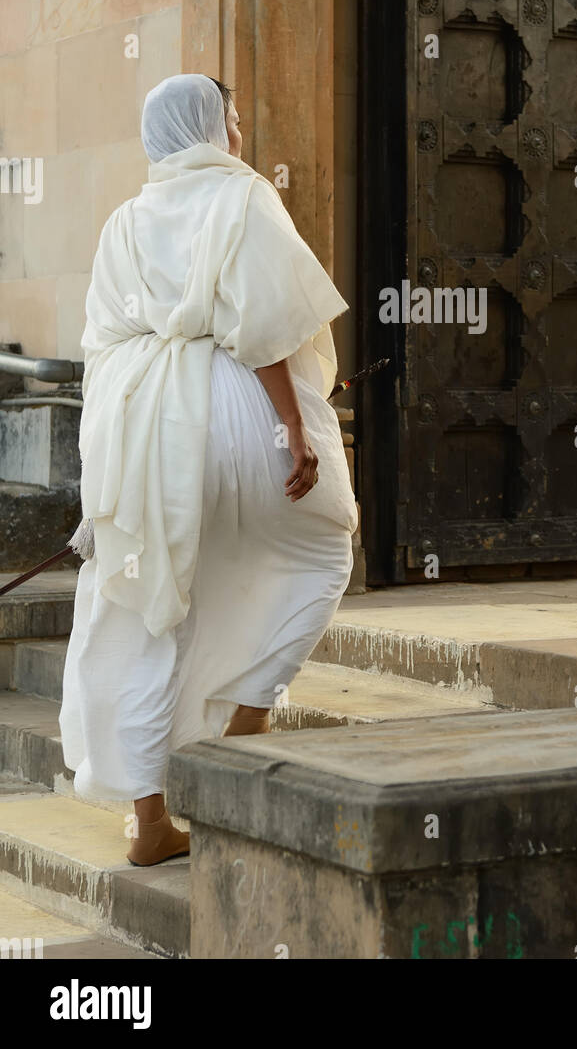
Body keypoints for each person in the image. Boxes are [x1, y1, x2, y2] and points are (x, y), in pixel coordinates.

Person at [59, 74, 358, 866]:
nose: (237, 131)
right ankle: (242, 736)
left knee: (153, 614)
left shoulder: (124, 221)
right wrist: (294, 426)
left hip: (148, 434)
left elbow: (102, 345)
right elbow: (265, 324)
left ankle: (150, 823)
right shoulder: (245, 196)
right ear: (211, 127)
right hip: (242, 422)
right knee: (320, 555)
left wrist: (105, 476)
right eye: (231, 116)